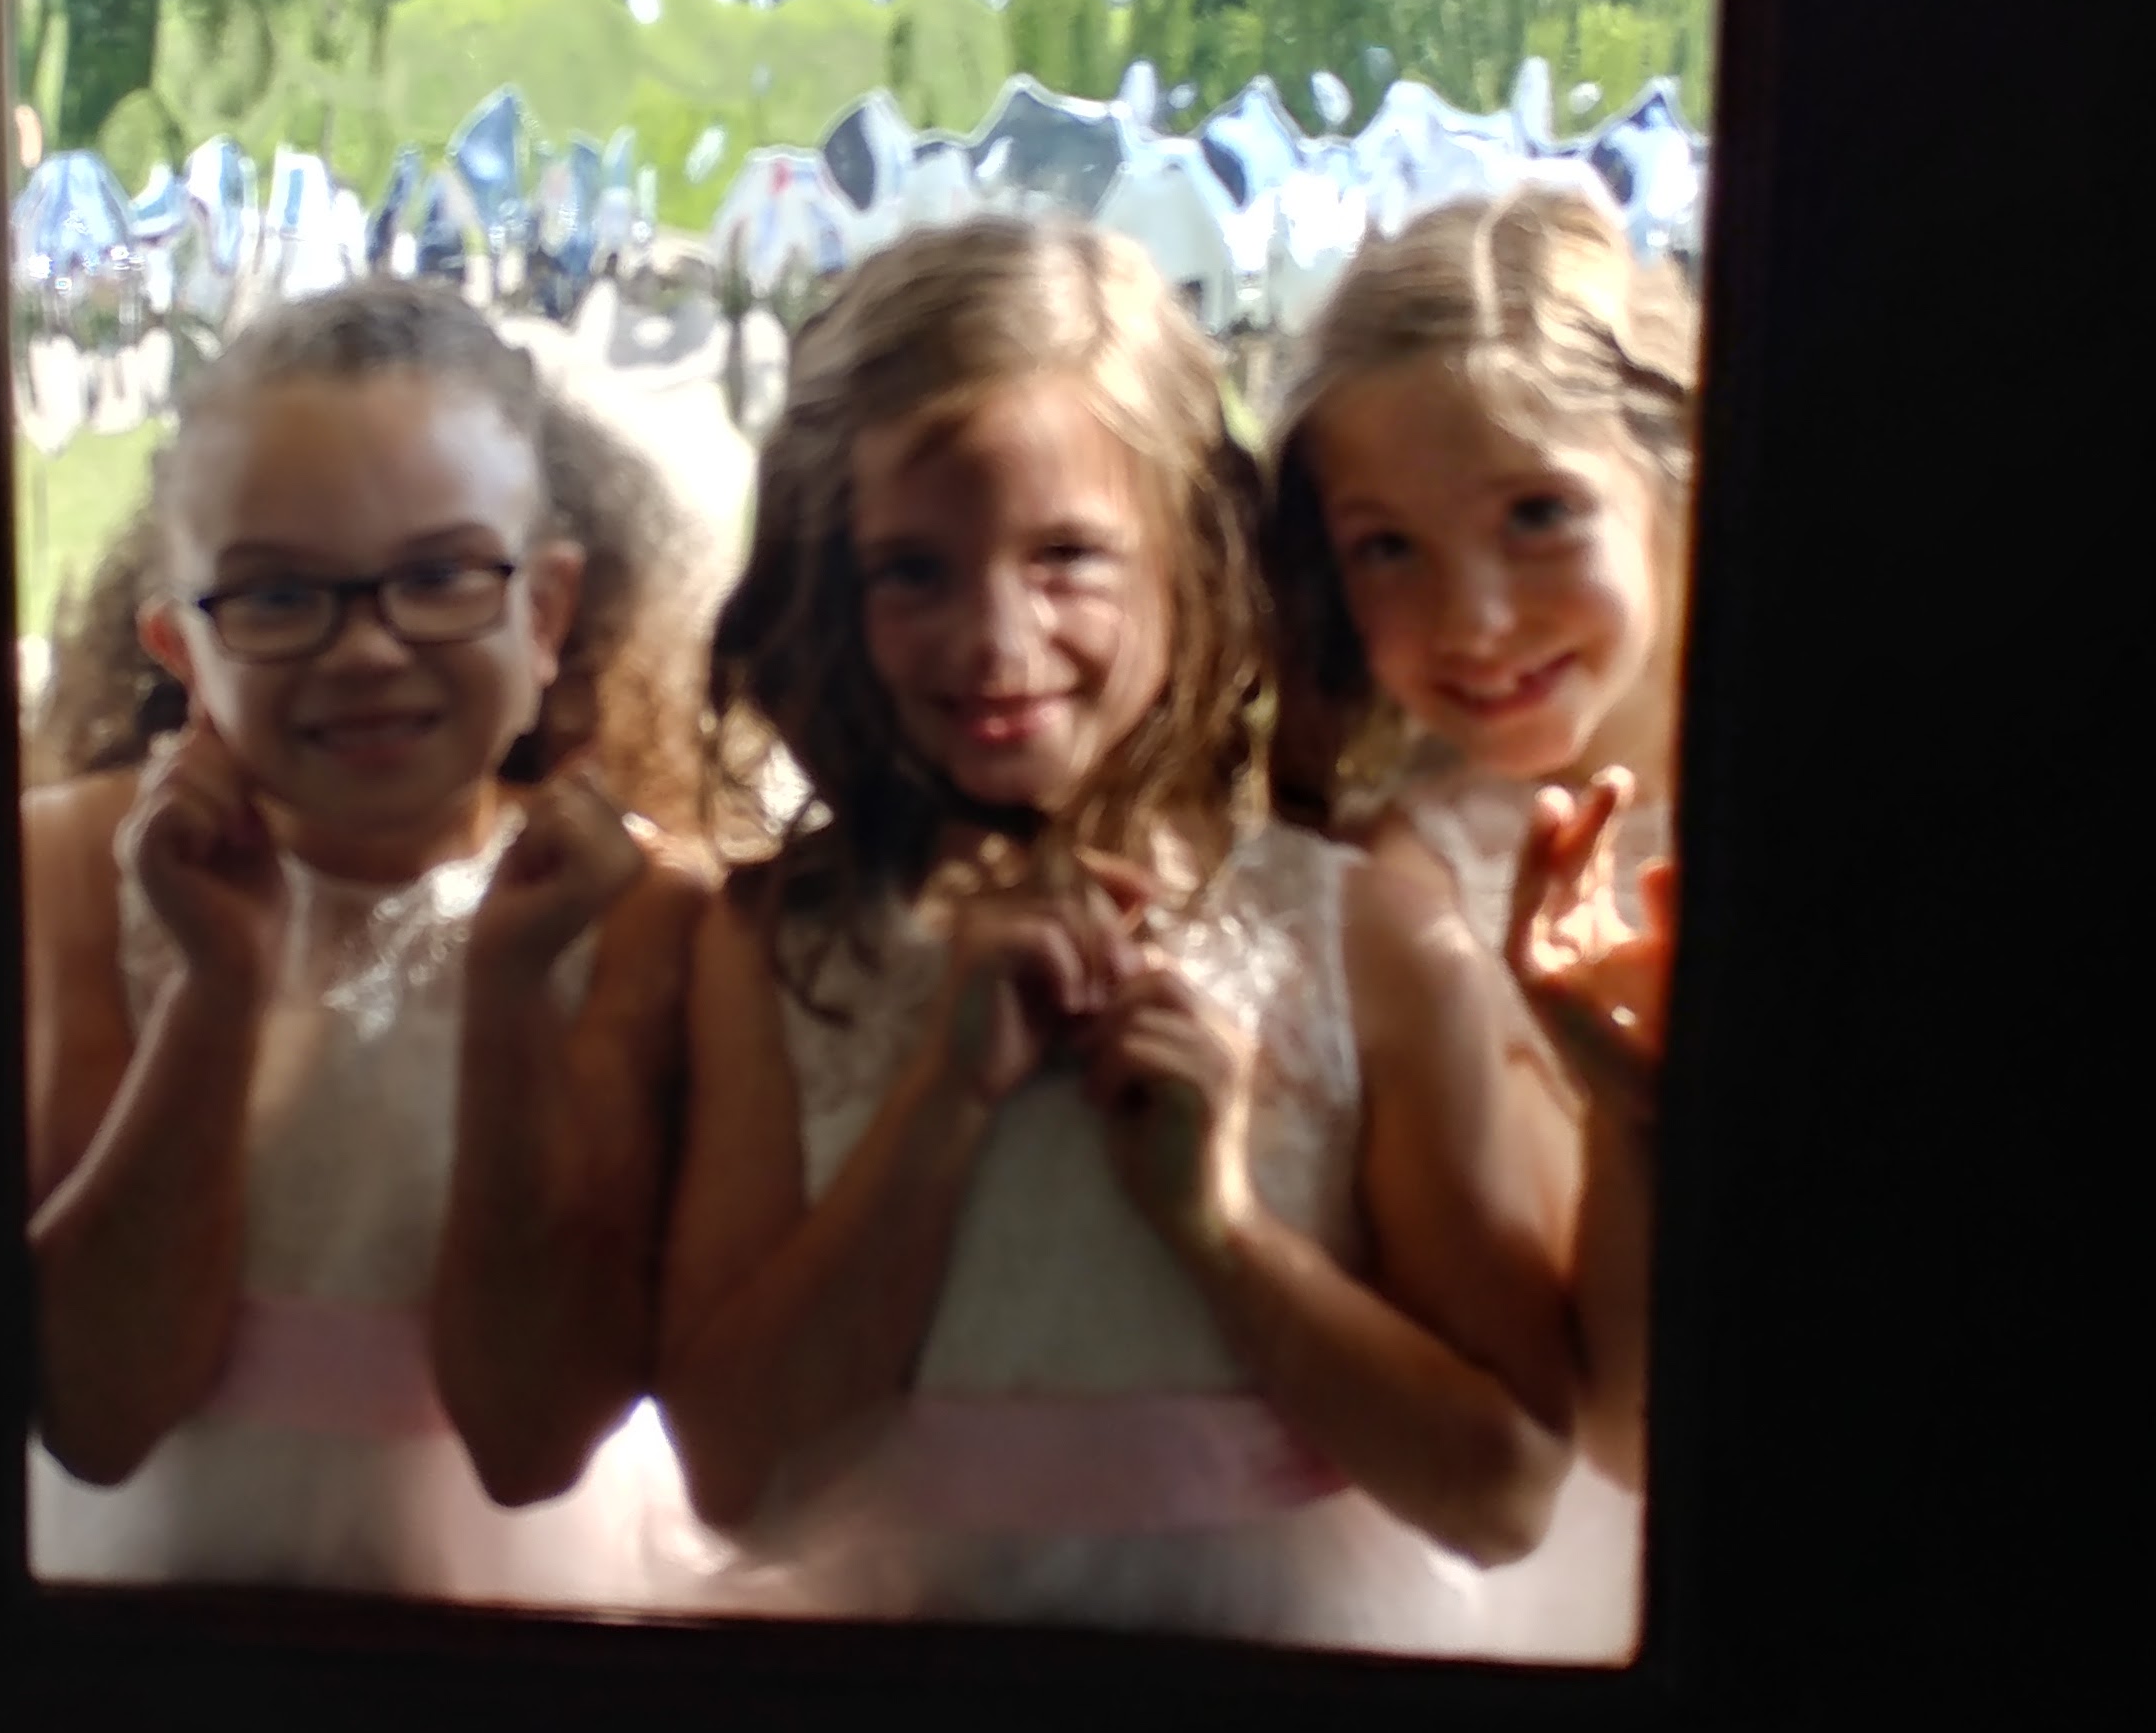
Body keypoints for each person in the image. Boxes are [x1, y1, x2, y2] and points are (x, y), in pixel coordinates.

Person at [655, 212, 1577, 1647]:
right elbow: (737, 1483)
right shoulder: (776, 951)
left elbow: (1502, 1490)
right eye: (914, 569)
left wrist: (1220, 1228)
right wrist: (941, 1104)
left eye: (1069, 556)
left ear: (1191, 554)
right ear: (830, 583)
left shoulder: (1374, 944)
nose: (996, 643)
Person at [18, 278, 713, 1601]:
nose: (369, 651)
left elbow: (530, 1439)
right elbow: (98, 1414)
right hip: (143, 1649)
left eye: (441, 576)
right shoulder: (63, 868)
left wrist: (510, 994)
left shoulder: (643, 916)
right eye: (280, 597)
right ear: (181, 642)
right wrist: (216, 990)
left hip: (518, 1632)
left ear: (547, 614)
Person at [1261, 184, 1694, 1662]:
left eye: (1537, 514)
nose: (1478, 619)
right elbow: (1631, 1446)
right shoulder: (1416, 895)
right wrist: (1631, 1120)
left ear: (1669, 475)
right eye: (1389, 548)